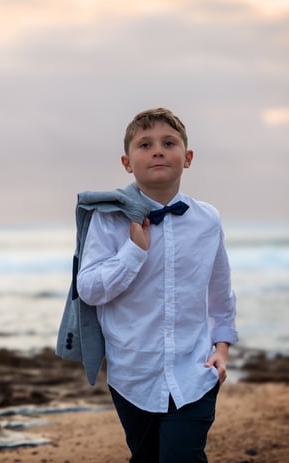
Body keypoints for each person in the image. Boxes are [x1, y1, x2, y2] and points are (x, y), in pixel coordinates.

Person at [57, 108, 238, 462]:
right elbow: (89, 289)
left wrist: (222, 349)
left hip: (195, 372)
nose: (157, 150)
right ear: (127, 162)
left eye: (168, 143)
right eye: (145, 144)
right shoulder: (107, 219)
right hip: (132, 376)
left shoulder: (207, 220)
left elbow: (220, 292)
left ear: (187, 158)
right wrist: (135, 251)